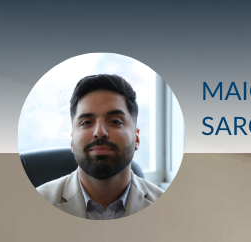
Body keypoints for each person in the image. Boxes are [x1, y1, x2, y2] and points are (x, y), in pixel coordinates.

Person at [37, 74, 163, 219]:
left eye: (115, 121)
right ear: (72, 141)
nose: (100, 132)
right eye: (86, 122)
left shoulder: (169, 209)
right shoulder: (34, 206)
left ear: (137, 138)